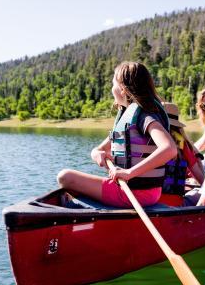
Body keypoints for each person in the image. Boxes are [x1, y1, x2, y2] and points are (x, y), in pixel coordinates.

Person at [57, 61, 176, 208]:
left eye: (113, 84)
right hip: (144, 193)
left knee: (65, 177)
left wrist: (129, 173)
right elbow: (99, 149)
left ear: (122, 89)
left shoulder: (144, 116)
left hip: (134, 194)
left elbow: (169, 148)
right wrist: (97, 154)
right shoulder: (128, 118)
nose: (111, 88)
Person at [160, 102, 205, 206]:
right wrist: (197, 156)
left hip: (148, 202)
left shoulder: (149, 140)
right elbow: (202, 180)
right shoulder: (182, 144)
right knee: (200, 193)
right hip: (175, 204)